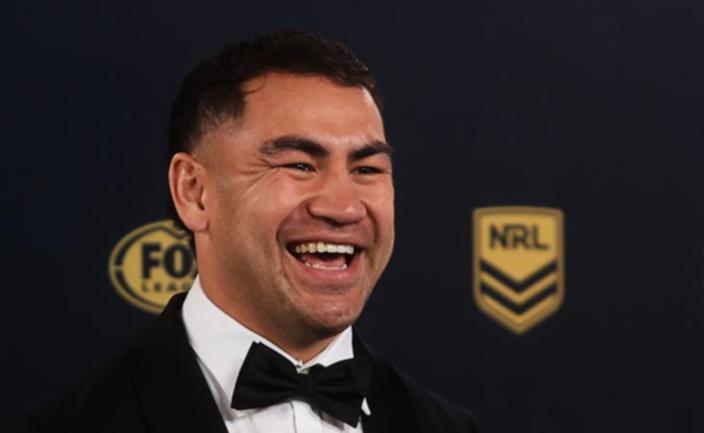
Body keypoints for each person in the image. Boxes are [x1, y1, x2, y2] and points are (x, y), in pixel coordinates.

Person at [24, 31, 478, 433]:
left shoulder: (447, 427)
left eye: (367, 168)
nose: (342, 206)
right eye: (299, 165)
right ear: (195, 192)